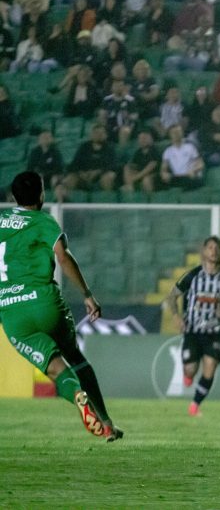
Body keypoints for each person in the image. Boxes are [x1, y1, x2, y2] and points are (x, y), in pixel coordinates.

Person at [0, 171, 123, 441]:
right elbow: (63, 258)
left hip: (12, 313)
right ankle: (106, 422)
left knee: (56, 369)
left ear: (12, 197)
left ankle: (78, 396)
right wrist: (87, 294)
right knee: (76, 359)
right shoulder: (43, 221)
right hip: (45, 303)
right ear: (42, 195)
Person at [164, 236, 220, 416]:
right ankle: (188, 375)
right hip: (192, 330)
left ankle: (195, 405)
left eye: (217, 248)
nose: (213, 251)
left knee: (210, 367)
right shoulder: (192, 275)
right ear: (204, 252)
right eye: (210, 247)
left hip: (215, 331)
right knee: (190, 369)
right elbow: (171, 296)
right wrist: (176, 317)